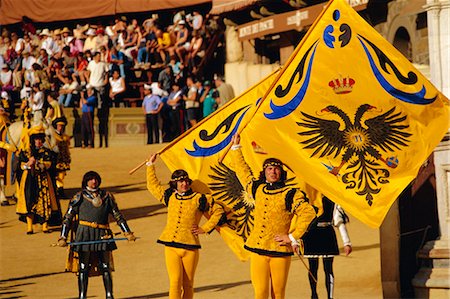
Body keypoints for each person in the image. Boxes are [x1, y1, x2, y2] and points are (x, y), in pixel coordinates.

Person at [230, 134, 317, 299]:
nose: (273, 171)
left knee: (278, 294)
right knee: (260, 293)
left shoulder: (291, 193)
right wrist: (236, 147)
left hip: (279, 250)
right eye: (269, 168)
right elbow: (243, 172)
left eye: (276, 169)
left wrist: (292, 237)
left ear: (281, 172)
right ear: (264, 172)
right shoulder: (257, 188)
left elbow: (309, 213)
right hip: (258, 248)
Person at [146, 153, 226, 299]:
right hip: (171, 246)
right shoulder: (169, 196)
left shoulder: (199, 198)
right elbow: (153, 186)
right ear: (175, 183)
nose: (184, 184)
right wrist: (150, 166)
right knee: (175, 282)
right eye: (181, 182)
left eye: (186, 181)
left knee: (188, 284)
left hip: (190, 247)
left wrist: (205, 228)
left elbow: (219, 211)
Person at [57, 171, 136, 299]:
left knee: (105, 266)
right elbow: (68, 218)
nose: (94, 182)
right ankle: (82, 296)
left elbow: (118, 216)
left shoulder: (106, 196)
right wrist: (63, 236)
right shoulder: (79, 197)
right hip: (84, 234)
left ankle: (109, 295)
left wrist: (127, 232)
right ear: (86, 181)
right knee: (83, 267)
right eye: (91, 179)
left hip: (102, 234)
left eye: (96, 179)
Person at [301, 196, 352, 299]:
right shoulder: (307, 198)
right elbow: (300, 222)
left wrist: (347, 242)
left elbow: (339, 221)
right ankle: (314, 295)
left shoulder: (333, 198)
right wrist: (295, 241)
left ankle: (330, 297)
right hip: (312, 235)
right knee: (313, 268)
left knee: (327, 269)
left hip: (326, 234)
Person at [16, 124, 61, 234]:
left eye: (40, 139)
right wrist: (28, 164)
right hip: (29, 180)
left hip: (43, 180)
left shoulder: (47, 152)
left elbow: (49, 164)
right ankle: (30, 226)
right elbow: (20, 166)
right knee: (29, 201)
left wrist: (38, 164)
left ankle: (45, 225)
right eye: (36, 139)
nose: (38, 141)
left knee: (45, 201)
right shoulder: (25, 152)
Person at [52, 117, 71, 198]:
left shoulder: (65, 136)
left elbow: (67, 148)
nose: (60, 127)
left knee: (62, 174)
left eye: (62, 126)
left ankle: (60, 189)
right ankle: (58, 189)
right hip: (55, 159)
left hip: (63, 159)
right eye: (59, 126)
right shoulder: (53, 136)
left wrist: (68, 157)